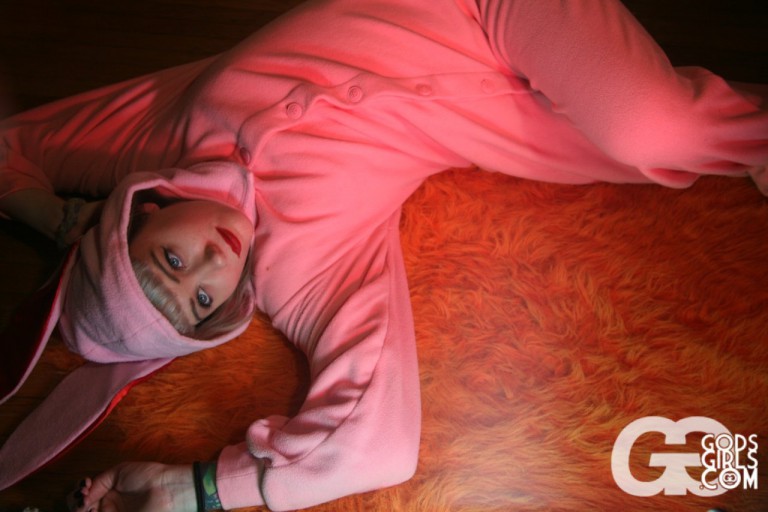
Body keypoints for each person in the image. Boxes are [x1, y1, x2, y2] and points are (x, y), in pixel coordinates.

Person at [0, 0, 766, 510]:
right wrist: (200, 491)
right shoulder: (304, 266)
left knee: (654, 129)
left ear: (142, 213)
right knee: (665, 138)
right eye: (203, 299)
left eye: (170, 259)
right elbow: (376, 447)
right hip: (507, 103)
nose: (212, 262)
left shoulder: (151, 135)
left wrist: (55, 215)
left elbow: (12, 145)